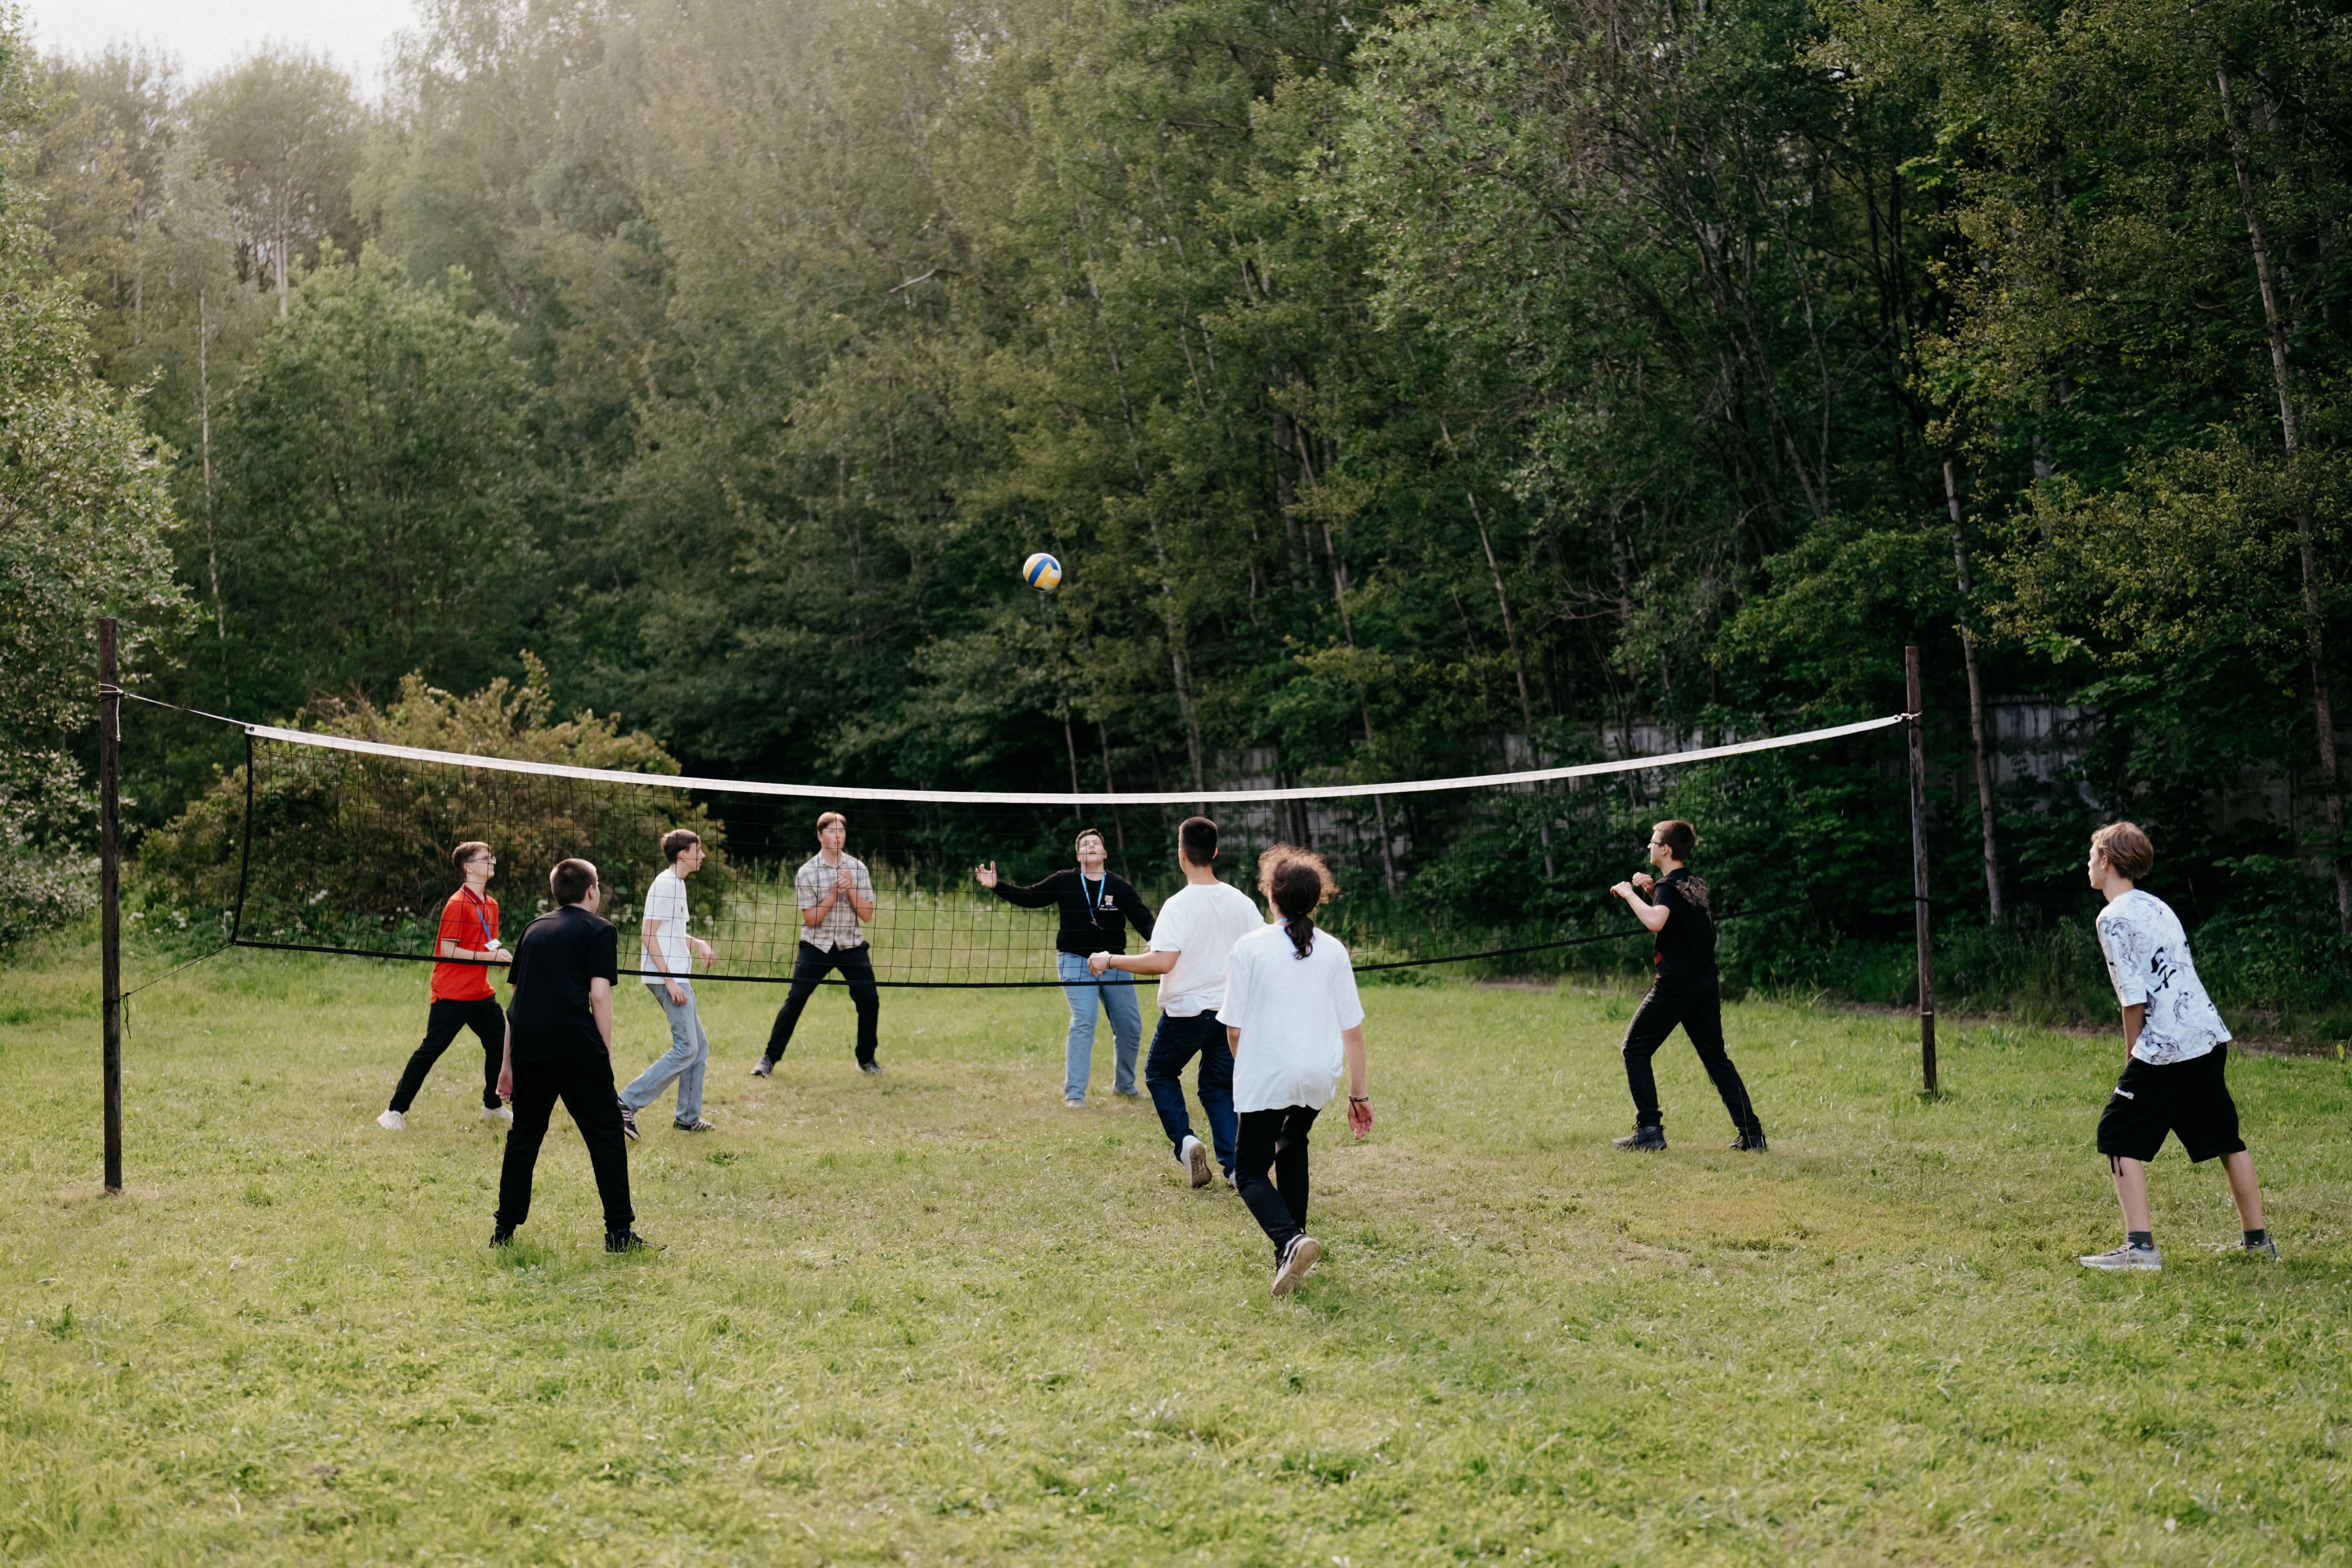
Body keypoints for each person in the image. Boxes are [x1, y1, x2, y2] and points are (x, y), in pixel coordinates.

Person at [2078, 821, 2274, 1270]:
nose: (2088, 863)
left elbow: (2133, 998)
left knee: (2117, 1133)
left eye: (2092, 855)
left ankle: (2140, 1249)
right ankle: (2259, 1243)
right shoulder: (2159, 906)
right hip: (2206, 1036)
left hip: (2166, 1045)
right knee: (2228, 1138)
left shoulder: (2112, 917)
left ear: (2107, 861)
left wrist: (2132, 1055)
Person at [1219, 848, 1373, 1297]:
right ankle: (1292, 1249)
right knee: (1292, 1144)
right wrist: (1358, 1096)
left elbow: (1233, 1029)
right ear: (1317, 899)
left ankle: (1290, 1240)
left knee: (1248, 1170)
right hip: (1317, 1076)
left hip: (1268, 1073)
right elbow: (1354, 1032)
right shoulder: (1335, 950)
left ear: (1271, 895)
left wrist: (1247, 1068)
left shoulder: (1249, 947)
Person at [492, 859, 651, 1253]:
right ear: (592, 890)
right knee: (606, 1135)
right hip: (577, 1046)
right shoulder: (600, 929)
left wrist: (506, 1065)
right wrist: (605, 1051)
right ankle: (619, 1233)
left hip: (528, 1047)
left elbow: (515, 1002)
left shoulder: (533, 929)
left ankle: (503, 1230)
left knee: (524, 1137)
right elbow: (600, 994)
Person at [1090, 815, 1260, 1184]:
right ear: (1215, 852)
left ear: (1181, 855)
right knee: (1218, 1088)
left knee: (1160, 1074)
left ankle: (1186, 1142)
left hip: (1186, 1013)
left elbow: (1163, 961)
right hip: (1228, 1012)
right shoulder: (1242, 902)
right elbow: (1259, 951)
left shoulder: (1178, 905)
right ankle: (1234, 1168)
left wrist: (1109, 959)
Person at [1606, 820, 1766, 1153]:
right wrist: (1653, 889)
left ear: (1666, 849)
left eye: (1653, 842)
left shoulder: (1668, 888)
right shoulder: (1694, 882)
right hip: (1705, 984)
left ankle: (1650, 1130)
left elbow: (1656, 921)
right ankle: (1752, 1134)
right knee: (1716, 1059)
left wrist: (1629, 894)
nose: (1649, 846)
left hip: (1676, 986)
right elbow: (1686, 920)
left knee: (1634, 1049)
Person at [977, 828, 1156, 1106]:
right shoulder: (1065, 880)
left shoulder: (1119, 886)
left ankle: (1124, 1085)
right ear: (1078, 855)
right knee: (1084, 1020)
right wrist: (997, 886)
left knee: (1130, 1027)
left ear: (1105, 853)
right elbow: (1031, 897)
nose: (1092, 847)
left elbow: (1144, 919)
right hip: (1075, 960)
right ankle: (1075, 1095)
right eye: (1086, 844)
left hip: (1114, 962)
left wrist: (1156, 940)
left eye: (1097, 843)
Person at [379, 841, 514, 1131]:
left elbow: (489, 940)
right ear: (469, 867)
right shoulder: (457, 904)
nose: (492, 861)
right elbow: (447, 950)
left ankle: (492, 1105)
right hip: (451, 993)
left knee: (501, 1044)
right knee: (431, 1050)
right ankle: (393, 1112)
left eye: (492, 857)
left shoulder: (491, 905)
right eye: (485, 858)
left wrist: (500, 955)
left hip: (480, 993)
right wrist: (486, 955)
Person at [754, 812, 882, 1077]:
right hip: (817, 945)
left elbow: (868, 915)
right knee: (797, 998)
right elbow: (811, 920)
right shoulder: (807, 872)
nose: (839, 836)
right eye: (833, 831)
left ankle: (866, 1059)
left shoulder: (858, 868)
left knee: (870, 1001)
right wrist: (834, 894)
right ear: (820, 835)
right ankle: (769, 1059)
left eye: (842, 831)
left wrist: (849, 890)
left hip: (851, 944)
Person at [617, 830, 719, 1140]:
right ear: (683, 854)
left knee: (698, 1048)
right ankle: (625, 1102)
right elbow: (648, 935)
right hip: (668, 977)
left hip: (674, 974)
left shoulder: (677, 884)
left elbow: (668, 933)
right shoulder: (666, 885)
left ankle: (687, 1118)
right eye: (698, 849)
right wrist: (670, 980)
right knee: (686, 1048)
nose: (702, 855)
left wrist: (698, 941)